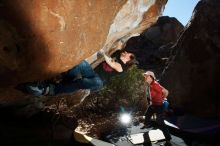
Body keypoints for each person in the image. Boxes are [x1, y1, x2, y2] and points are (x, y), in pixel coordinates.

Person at [20, 42, 136, 97]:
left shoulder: (122, 68)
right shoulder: (117, 57)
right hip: (92, 73)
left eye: (127, 54)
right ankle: (60, 82)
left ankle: (50, 91)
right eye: (125, 52)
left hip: (98, 82)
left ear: (129, 59)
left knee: (80, 83)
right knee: (81, 63)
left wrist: (102, 52)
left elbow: (111, 63)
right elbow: (117, 48)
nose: (125, 53)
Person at [140, 71, 172, 146]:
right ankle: (147, 124)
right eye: (145, 76)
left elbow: (166, 92)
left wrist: (162, 98)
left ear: (151, 77)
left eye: (147, 76)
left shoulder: (155, 84)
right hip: (153, 105)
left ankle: (168, 139)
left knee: (160, 122)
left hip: (159, 106)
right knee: (147, 115)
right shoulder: (150, 84)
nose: (145, 78)